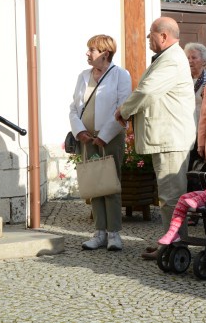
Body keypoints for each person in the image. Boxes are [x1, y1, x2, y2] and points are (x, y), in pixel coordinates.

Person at [115, 16, 196, 260]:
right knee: (169, 197)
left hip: (172, 138)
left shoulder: (171, 59)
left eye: (151, 33)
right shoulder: (168, 57)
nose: (148, 38)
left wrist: (124, 110)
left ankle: (174, 246)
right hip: (168, 137)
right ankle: (171, 242)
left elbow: (147, 90)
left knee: (171, 198)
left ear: (163, 35)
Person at [70, 35, 132, 251]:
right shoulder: (83, 76)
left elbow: (123, 107)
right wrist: (80, 132)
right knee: (94, 183)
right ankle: (99, 232)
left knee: (110, 183)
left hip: (110, 137)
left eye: (92, 50)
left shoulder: (120, 75)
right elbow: (74, 108)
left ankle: (114, 233)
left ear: (105, 54)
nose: (87, 53)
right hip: (87, 137)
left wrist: (104, 135)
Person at [184, 43, 206, 169]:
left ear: (204, 61)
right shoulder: (182, 80)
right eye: (188, 58)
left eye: (194, 58)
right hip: (185, 130)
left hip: (204, 131)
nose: (190, 61)